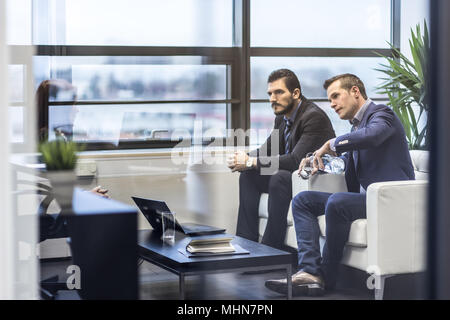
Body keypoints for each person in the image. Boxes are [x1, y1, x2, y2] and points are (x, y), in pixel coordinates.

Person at [265, 73, 415, 296]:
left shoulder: (382, 114)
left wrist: (332, 142)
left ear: (355, 91)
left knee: (337, 201)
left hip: (389, 200)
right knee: (302, 201)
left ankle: (326, 276)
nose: (332, 104)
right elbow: (348, 161)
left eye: (336, 96)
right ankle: (309, 270)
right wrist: (320, 162)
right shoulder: (356, 128)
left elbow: (373, 136)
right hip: (367, 199)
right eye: (330, 99)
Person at [227, 69, 335, 252]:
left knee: (280, 177)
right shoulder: (282, 118)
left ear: (295, 93)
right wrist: (244, 158)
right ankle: (245, 245)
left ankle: (271, 250)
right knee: (249, 176)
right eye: (270, 93)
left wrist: (250, 162)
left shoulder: (313, 117)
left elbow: (295, 160)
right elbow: (268, 149)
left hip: (316, 180)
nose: (272, 99)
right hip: (294, 177)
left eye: (279, 92)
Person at [36, 79, 109, 199]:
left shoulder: (46, 135)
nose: (77, 109)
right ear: (59, 107)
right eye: (73, 105)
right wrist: (90, 197)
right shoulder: (53, 141)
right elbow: (57, 198)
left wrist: (88, 195)